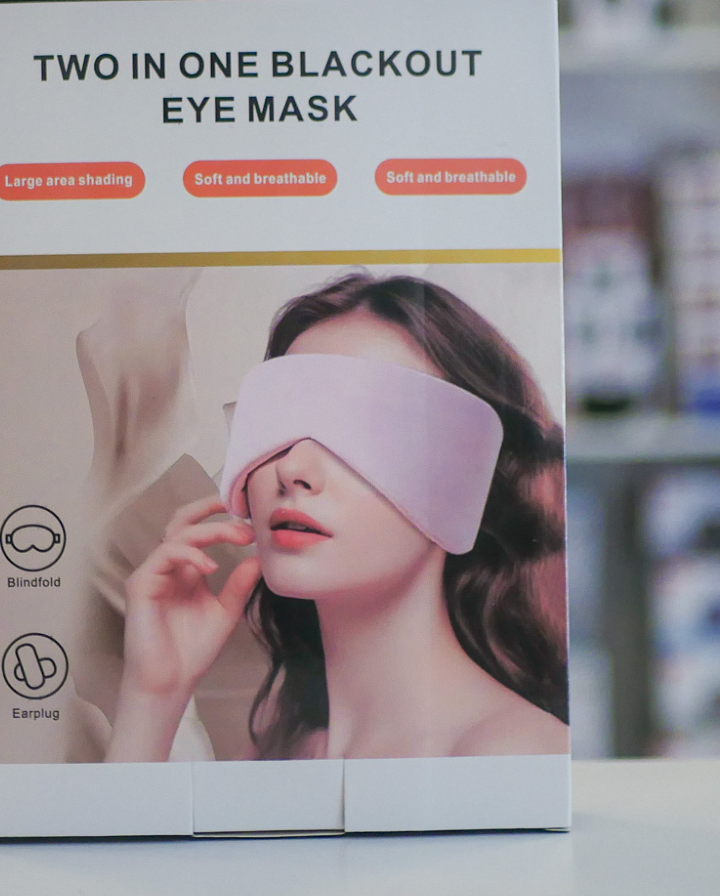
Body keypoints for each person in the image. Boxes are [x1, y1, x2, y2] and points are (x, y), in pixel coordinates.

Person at [105, 273, 569, 762]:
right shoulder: (281, 753)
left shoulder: (511, 756)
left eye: (361, 428)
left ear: (469, 479)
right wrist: (153, 697)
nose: (292, 469)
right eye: (277, 421)